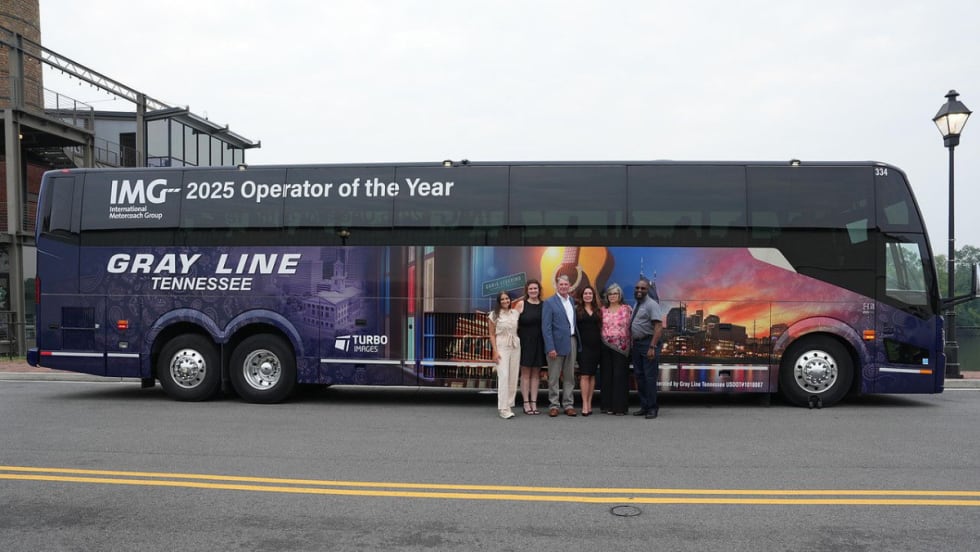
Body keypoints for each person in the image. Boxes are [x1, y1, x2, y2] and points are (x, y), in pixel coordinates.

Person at [541, 274, 579, 417]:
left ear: (570, 286)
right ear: (556, 286)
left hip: (571, 341)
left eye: (566, 284)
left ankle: (568, 405)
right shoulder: (549, 302)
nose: (563, 287)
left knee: (570, 376)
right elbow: (546, 327)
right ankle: (554, 405)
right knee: (554, 376)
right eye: (561, 284)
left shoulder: (572, 301)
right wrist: (550, 347)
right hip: (555, 345)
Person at [631, 278, 664, 419]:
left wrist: (652, 347)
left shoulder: (651, 304)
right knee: (640, 377)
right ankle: (644, 406)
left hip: (647, 344)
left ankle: (652, 408)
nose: (639, 290)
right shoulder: (637, 303)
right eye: (637, 288)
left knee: (649, 378)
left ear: (648, 290)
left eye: (643, 288)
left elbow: (658, 326)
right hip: (637, 345)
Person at [599, 283, 632, 415]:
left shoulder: (627, 309)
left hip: (622, 348)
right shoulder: (602, 310)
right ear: (607, 296)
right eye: (610, 294)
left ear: (620, 295)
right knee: (607, 376)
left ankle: (620, 407)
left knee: (620, 376)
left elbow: (631, 327)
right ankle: (607, 406)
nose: (612, 296)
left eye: (615, 293)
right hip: (605, 346)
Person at [488, 291, 520, 419]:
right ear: (498, 301)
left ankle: (508, 404)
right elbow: (491, 334)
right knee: (504, 376)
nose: (505, 301)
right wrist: (495, 351)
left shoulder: (515, 313)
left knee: (513, 376)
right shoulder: (494, 315)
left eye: (507, 298)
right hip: (501, 345)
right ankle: (502, 408)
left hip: (515, 345)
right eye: (502, 299)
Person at [516, 279, 546, 415]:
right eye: (531, 289)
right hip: (525, 343)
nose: (533, 291)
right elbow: (513, 324)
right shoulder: (521, 304)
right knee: (525, 374)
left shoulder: (544, 305)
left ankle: (534, 402)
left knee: (536, 374)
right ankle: (525, 402)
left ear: (539, 290)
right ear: (527, 291)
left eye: (535, 288)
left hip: (539, 342)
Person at [575, 285, 602, 416]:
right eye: (585, 293)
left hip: (596, 347)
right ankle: (584, 404)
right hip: (583, 348)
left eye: (590, 293)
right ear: (582, 295)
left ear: (593, 295)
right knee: (585, 375)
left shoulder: (598, 310)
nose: (587, 295)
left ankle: (590, 403)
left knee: (592, 375)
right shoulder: (577, 310)